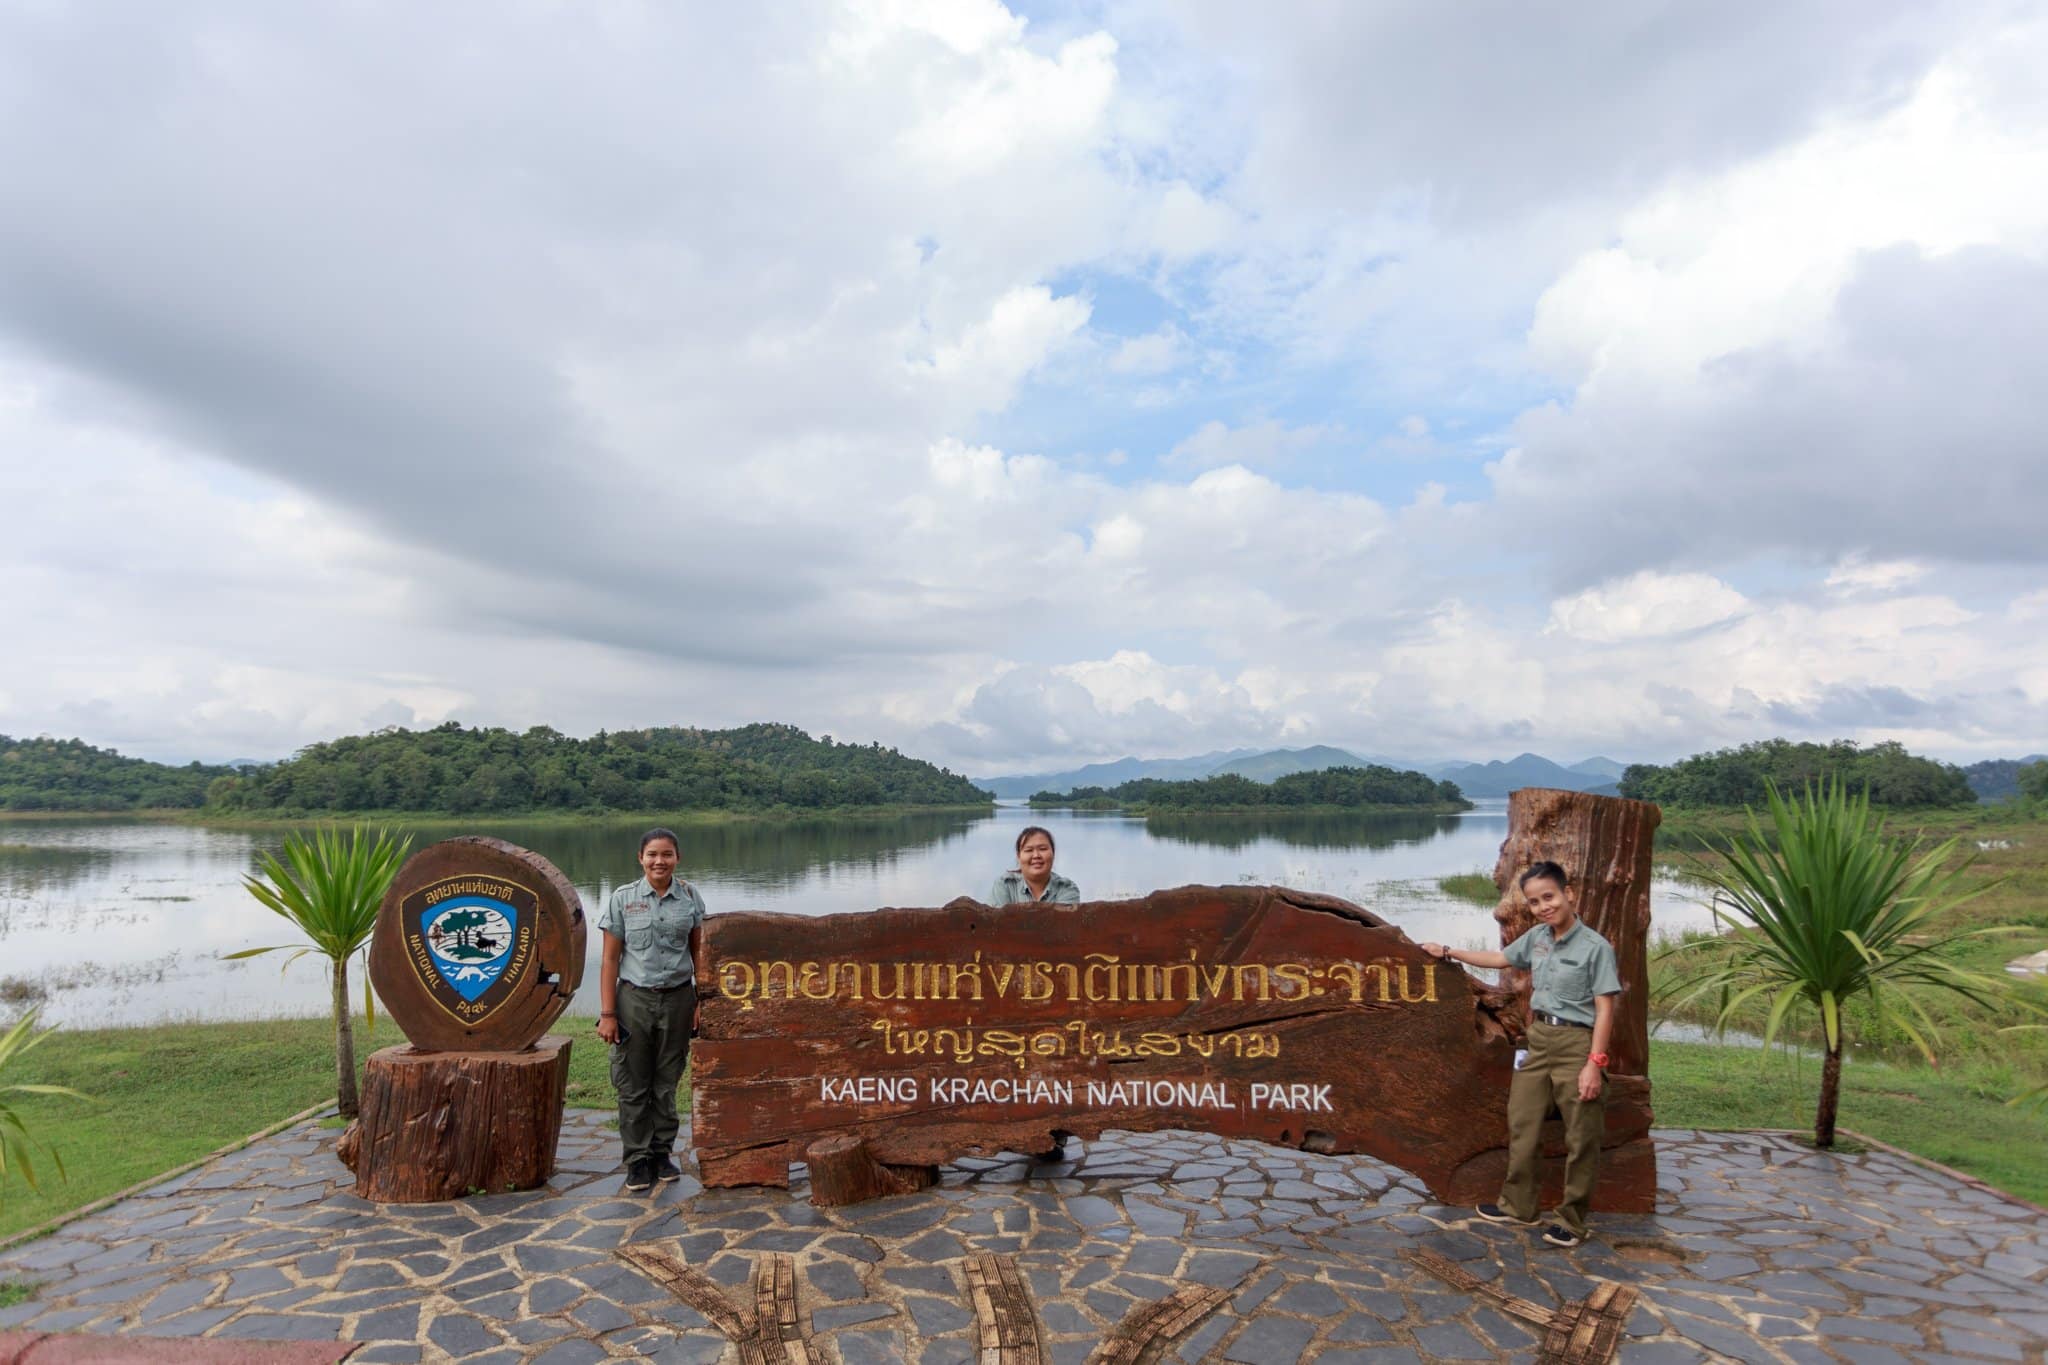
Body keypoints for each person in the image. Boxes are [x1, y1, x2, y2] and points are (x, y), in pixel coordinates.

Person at [1420, 860, 1620, 1248]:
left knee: (1582, 1135)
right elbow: (1500, 960)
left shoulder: (1596, 948)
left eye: (1549, 897)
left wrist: (1594, 1064)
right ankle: (1518, 1205)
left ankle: (1572, 1220)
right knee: (1522, 1122)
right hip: (1537, 1040)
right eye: (1534, 901)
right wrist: (1447, 951)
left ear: (1569, 894)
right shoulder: (1538, 938)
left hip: (1577, 1044)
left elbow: (1605, 1009)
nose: (1544, 906)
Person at [597, 827, 706, 1193]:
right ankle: (637, 1159)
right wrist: (608, 1014)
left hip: (678, 1000)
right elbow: (610, 959)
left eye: (667, 854)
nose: (659, 861)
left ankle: (662, 1154)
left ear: (677, 858)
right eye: (653, 855)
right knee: (632, 1083)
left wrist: (702, 1001)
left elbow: (700, 954)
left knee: (666, 1083)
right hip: (634, 1001)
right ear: (640, 859)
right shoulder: (622, 899)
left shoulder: (689, 897)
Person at [987, 826, 1080, 906]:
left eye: (1043, 849)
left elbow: (1064, 924)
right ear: (1018, 856)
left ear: (1053, 854)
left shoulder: (1066, 888)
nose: (1036, 855)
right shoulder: (1005, 885)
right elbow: (998, 924)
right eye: (1029, 850)